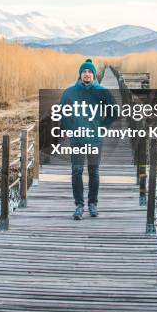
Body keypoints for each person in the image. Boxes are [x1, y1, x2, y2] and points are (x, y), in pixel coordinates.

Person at [59, 59, 116, 220]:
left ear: (94, 75)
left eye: (90, 71)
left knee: (94, 172)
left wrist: (101, 127)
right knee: (76, 171)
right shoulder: (70, 92)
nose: (87, 74)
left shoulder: (102, 91)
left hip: (94, 139)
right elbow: (62, 113)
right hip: (77, 139)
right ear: (80, 74)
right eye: (84, 71)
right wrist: (71, 128)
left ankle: (92, 205)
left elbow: (114, 112)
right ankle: (79, 206)